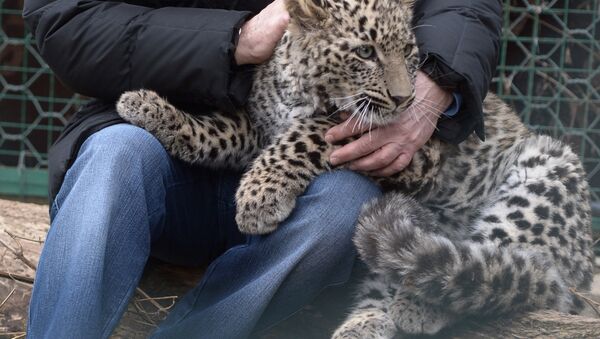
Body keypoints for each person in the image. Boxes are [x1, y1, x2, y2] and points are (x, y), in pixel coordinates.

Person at [22, 0, 502, 337]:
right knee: (114, 155)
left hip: (319, 168)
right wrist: (233, 39)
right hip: (163, 144)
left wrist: (440, 80)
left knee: (345, 210)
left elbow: (465, 7)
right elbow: (66, 20)